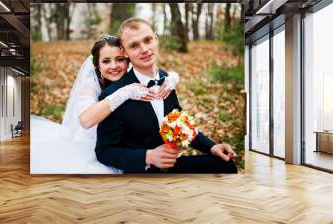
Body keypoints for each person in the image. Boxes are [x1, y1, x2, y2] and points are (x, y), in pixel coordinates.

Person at [95, 17, 238, 173]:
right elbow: (104, 151)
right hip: (141, 172)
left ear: (156, 39)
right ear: (124, 51)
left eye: (148, 40)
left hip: (172, 166)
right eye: (134, 45)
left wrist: (211, 147)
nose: (144, 49)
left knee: (227, 166)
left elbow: (180, 125)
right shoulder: (115, 95)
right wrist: (148, 157)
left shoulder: (166, 81)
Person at [31, 34, 180, 174]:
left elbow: (155, 74)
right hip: (92, 146)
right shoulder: (91, 85)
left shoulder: (133, 77)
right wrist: (124, 93)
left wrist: (173, 77)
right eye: (106, 61)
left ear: (128, 59)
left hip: (127, 146)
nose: (114, 66)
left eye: (119, 59)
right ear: (97, 65)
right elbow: (85, 120)